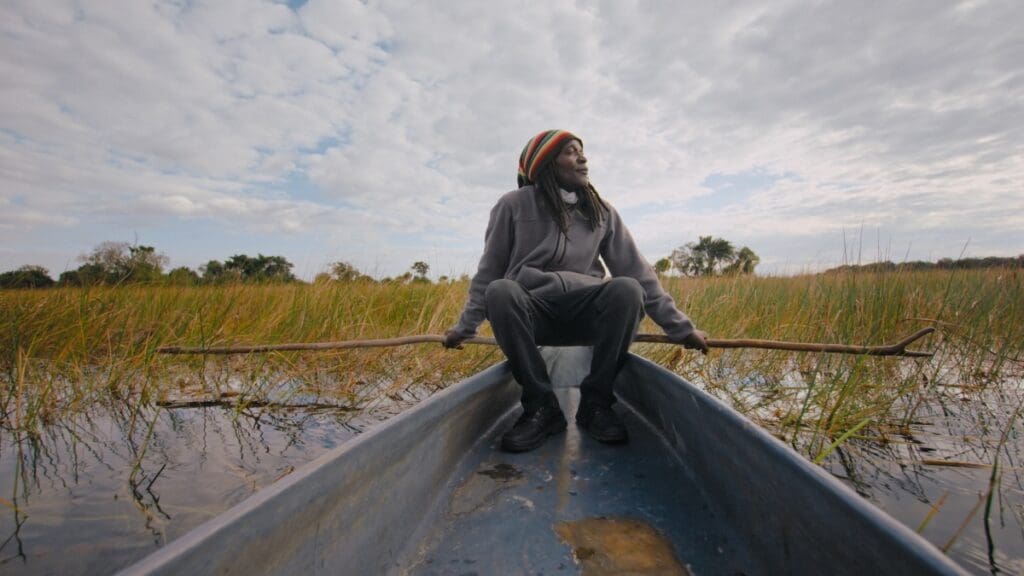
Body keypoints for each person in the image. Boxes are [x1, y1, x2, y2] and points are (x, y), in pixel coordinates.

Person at [444, 129, 708, 453]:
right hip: (534, 311)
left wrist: (681, 328)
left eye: (582, 151)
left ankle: (595, 404)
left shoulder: (602, 212)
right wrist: (464, 327)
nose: (582, 158)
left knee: (627, 289)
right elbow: (488, 272)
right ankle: (542, 407)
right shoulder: (512, 205)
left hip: (586, 313)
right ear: (546, 163)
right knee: (501, 291)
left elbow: (638, 271)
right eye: (570, 152)